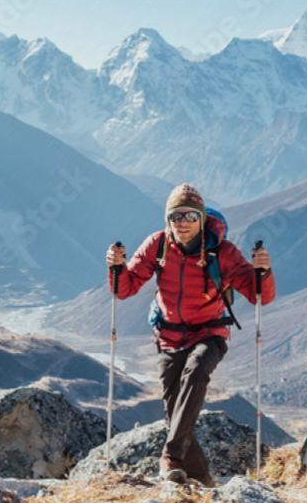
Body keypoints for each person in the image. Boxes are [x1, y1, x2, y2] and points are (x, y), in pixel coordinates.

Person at [106, 183, 275, 486]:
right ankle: (200, 478)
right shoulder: (157, 245)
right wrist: (116, 268)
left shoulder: (221, 252)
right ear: (167, 220)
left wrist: (263, 271)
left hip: (210, 332)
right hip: (168, 336)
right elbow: (126, 289)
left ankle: (170, 456)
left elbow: (258, 294)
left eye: (189, 216)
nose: (182, 223)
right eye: (175, 216)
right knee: (175, 411)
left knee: (196, 374)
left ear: (201, 218)